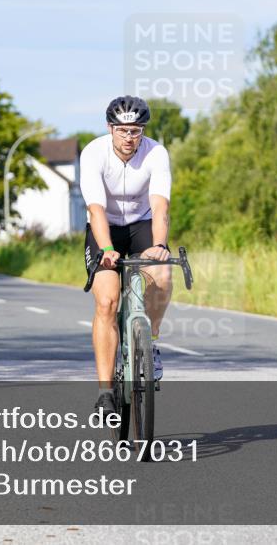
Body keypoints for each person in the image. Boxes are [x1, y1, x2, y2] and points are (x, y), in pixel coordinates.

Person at [79, 96, 172, 414]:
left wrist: (159, 245)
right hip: (104, 228)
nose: (130, 138)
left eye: (136, 131)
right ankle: (105, 390)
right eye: (123, 131)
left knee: (163, 273)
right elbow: (95, 208)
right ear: (110, 128)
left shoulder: (156, 153)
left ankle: (152, 340)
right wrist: (106, 250)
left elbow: (160, 206)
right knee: (107, 301)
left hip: (142, 225)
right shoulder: (93, 153)